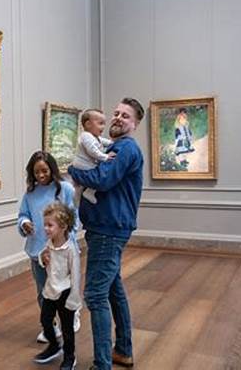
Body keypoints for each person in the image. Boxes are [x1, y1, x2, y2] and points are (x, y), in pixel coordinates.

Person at [67, 97, 145, 370]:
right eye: (116, 113)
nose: (118, 118)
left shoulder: (125, 149)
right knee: (113, 289)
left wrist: (72, 170)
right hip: (108, 228)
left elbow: (102, 179)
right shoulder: (114, 147)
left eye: (126, 116)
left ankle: (102, 364)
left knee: (95, 295)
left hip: (107, 230)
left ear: (135, 124)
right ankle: (122, 351)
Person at [17, 151, 80, 344]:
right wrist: (24, 224)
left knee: (64, 289)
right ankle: (50, 326)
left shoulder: (65, 189)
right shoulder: (30, 194)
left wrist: (66, 240)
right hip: (38, 250)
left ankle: (72, 315)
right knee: (44, 291)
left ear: (52, 169)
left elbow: (74, 218)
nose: (41, 175)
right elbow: (22, 215)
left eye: (44, 170)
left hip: (62, 251)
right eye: (36, 172)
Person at [33, 202, 82, 370]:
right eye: (45, 225)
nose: (46, 228)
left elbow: (76, 275)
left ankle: (70, 357)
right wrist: (42, 258)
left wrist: (74, 298)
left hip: (66, 293)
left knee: (67, 329)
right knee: (45, 320)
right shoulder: (49, 244)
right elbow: (44, 259)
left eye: (50, 225)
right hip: (50, 290)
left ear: (63, 227)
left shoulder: (71, 250)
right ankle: (54, 345)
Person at [71, 109, 115, 205]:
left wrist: (113, 143)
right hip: (83, 165)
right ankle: (89, 192)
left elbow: (103, 141)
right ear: (88, 124)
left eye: (104, 124)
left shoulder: (94, 136)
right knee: (97, 175)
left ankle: (79, 196)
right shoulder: (86, 136)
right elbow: (92, 151)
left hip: (85, 164)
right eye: (100, 123)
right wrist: (105, 157)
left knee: (80, 187)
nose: (103, 127)